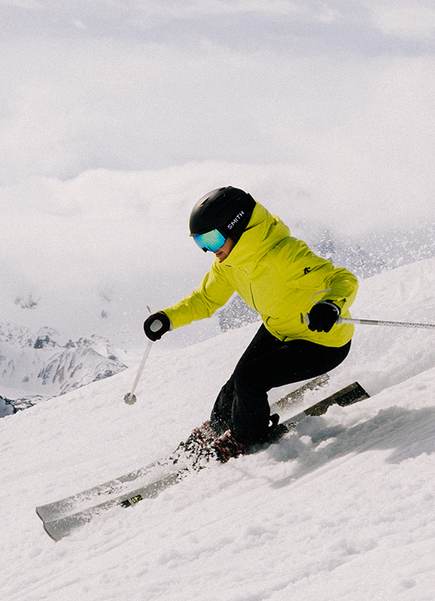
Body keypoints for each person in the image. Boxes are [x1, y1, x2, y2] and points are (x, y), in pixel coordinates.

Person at [143, 186, 358, 461]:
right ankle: (218, 428)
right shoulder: (229, 264)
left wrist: (331, 305)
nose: (209, 250)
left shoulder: (284, 255)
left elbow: (343, 278)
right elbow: (205, 299)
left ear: (236, 226)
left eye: (211, 238)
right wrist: (167, 318)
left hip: (323, 342)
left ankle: (246, 437)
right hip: (280, 330)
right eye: (200, 243)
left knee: (250, 380)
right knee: (234, 387)